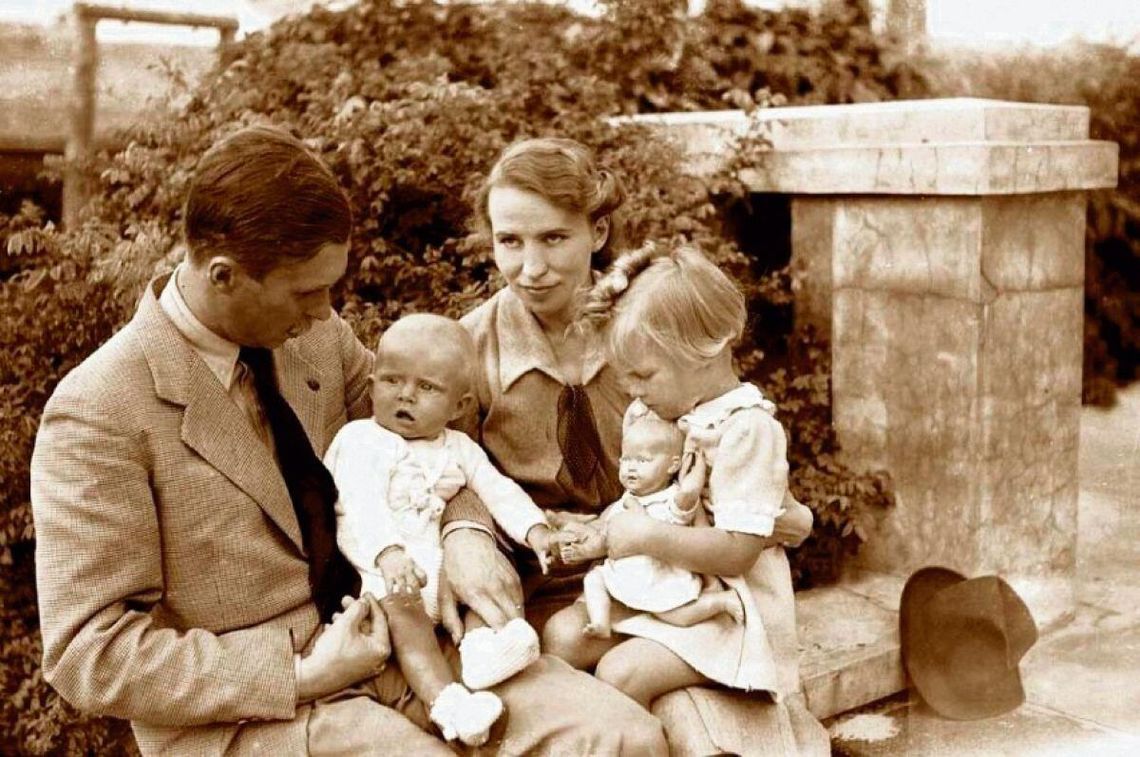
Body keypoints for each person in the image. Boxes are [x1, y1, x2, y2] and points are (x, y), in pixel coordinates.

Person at [30, 125, 665, 756]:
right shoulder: (98, 413)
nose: (325, 310)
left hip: (411, 639)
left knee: (623, 739)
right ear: (224, 276)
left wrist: (464, 534)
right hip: (259, 712)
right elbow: (91, 651)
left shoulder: (314, 335)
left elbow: (433, 438)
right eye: (307, 292)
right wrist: (301, 672)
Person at [439, 137, 827, 754]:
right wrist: (468, 532)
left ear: (597, 232)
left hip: (676, 572)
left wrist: (782, 513)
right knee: (600, 703)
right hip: (553, 586)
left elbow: (727, 447)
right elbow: (441, 464)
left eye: (553, 239)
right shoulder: (468, 347)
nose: (530, 267)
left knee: (710, 728)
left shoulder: (650, 334)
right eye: (509, 241)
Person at [325, 313, 556, 745]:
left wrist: (536, 531)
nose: (405, 396)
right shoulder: (360, 440)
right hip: (378, 575)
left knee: (476, 591)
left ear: (461, 406)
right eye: (391, 381)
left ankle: (481, 650)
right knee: (404, 615)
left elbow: (498, 491)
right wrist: (390, 555)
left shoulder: (459, 447)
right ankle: (447, 703)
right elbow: (362, 504)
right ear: (371, 385)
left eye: (427, 387)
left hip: (436, 572)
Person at [566, 403, 743, 639]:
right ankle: (601, 623)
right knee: (594, 579)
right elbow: (606, 540)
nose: (630, 467)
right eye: (626, 459)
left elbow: (689, 495)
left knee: (678, 616)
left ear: (673, 465)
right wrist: (583, 551)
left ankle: (721, 602)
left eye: (643, 460)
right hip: (625, 574)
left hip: (658, 577)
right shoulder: (625, 500)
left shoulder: (670, 501)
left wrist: (695, 470)